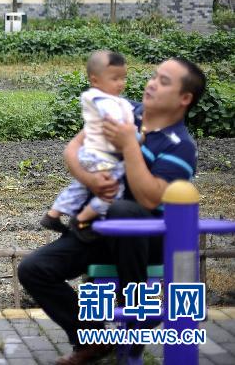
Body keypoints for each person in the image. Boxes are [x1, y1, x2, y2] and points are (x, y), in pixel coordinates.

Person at [18, 58, 205, 365]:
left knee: (125, 209)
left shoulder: (180, 146)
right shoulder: (123, 111)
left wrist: (130, 146)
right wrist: (91, 179)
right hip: (99, 229)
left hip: (148, 238)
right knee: (34, 270)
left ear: (185, 98)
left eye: (164, 81)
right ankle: (92, 339)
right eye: (154, 76)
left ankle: (137, 313)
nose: (152, 83)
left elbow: (148, 199)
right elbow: (73, 150)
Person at [41, 51, 134, 241]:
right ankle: (82, 220)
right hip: (102, 157)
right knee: (113, 191)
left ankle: (53, 214)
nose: (121, 83)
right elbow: (118, 126)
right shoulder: (104, 101)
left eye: (123, 78)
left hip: (88, 154)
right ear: (95, 80)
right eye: (115, 78)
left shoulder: (98, 98)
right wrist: (136, 138)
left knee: (81, 186)